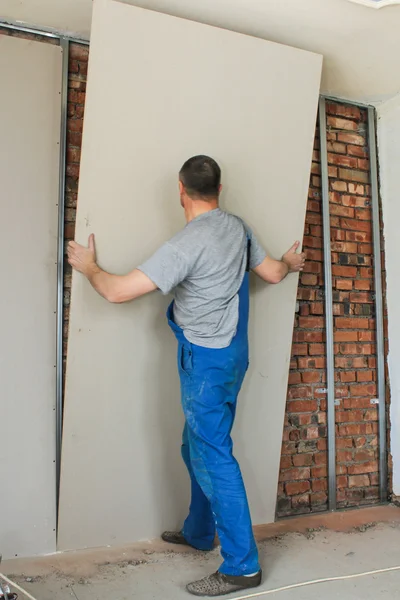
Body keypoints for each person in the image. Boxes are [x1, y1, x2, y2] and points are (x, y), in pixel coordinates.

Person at [68, 155, 305, 597]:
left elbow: (117, 292)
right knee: (194, 445)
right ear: (219, 189)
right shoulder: (238, 227)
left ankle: (241, 567)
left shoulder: (186, 244)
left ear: (181, 189)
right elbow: (273, 273)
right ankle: (199, 533)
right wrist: (290, 261)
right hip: (233, 355)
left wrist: (90, 268)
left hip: (205, 361)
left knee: (214, 455)